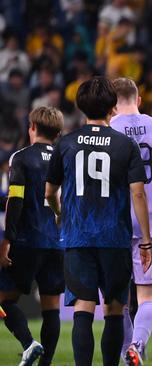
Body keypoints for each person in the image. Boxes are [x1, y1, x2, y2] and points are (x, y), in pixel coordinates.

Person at [44, 77, 152, 366]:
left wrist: (58, 213)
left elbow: (49, 192)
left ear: (80, 106)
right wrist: (144, 240)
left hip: (78, 236)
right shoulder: (125, 145)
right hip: (115, 238)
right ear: (112, 107)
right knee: (115, 308)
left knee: (83, 307)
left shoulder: (65, 143)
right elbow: (138, 194)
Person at [110, 77, 152, 365]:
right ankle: (137, 344)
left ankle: (129, 352)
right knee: (148, 295)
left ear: (112, 104)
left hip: (114, 223)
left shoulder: (107, 129)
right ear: (138, 100)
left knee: (118, 300)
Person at [0, 107, 64, 366]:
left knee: (4, 300)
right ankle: (45, 363)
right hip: (57, 241)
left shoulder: (21, 158)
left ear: (33, 128)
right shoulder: (65, 158)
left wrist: (7, 240)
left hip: (26, 240)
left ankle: (28, 343)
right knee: (52, 308)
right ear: (58, 133)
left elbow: (15, 200)